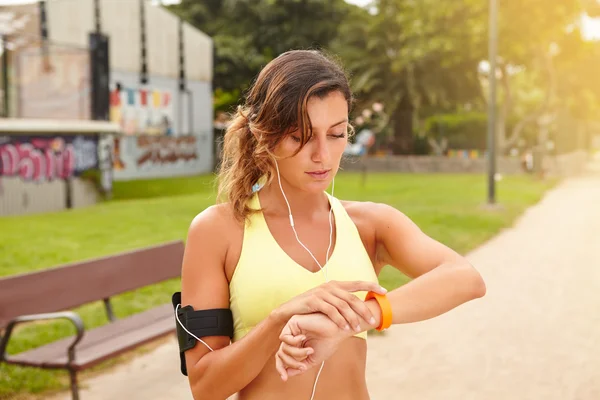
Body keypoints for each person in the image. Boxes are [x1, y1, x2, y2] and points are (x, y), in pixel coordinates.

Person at [179, 49, 486, 400]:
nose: (322, 155)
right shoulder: (219, 230)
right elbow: (205, 387)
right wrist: (278, 322)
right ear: (265, 134)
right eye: (301, 136)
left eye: (337, 134)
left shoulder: (369, 224)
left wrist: (359, 317)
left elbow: (467, 279)